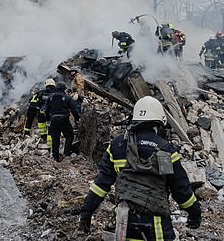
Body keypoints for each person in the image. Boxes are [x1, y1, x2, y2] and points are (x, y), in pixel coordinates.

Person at [77, 96, 202, 239]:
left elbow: (100, 185)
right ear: (158, 124)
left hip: (124, 224)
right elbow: (181, 190)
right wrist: (194, 213)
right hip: (156, 228)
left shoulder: (117, 146)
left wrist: (86, 213)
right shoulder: (166, 150)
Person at [43, 81, 81, 162]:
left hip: (53, 120)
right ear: (64, 89)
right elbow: (74, 109)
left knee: (55, 139)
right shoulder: (67, 97)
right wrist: (77, 119)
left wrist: (47, 120)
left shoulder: (50, 97)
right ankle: (66, 154)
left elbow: (46, 110)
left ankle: (55, 157)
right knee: (69, 136)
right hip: (64, 119)